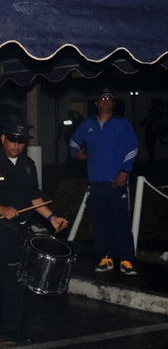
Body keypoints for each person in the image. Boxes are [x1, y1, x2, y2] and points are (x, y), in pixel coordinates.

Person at [0, 122, 69, 348]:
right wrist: (0, 208)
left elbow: (35, 198)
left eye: (21, 142)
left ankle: (13, 328)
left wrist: (52, 217)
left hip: (19, 233)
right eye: (13, 140)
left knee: (15, 283)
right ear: (3, 138)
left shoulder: (27, 165)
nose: (17, 145)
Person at [69, 88, 139, 276]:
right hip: (96, 181)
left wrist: (125, 171)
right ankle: (105, 258)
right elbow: (74, 142)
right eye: (102, 98)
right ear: (96, 103)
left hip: (118, 181)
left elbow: (133, 148)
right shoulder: (88, 125)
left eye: (109, 99)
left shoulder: (122, 124)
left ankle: (126, 260)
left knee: (121, 221)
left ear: (113, 104)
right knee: (101, 221)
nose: (106, 101)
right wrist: (77, 153)